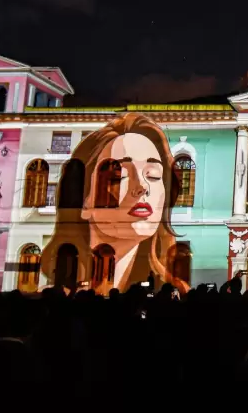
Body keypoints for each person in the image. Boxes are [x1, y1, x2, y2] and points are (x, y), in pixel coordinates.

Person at [40, 114, 188, 293]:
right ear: (84, 198)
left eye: (153, 175)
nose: (142, 186)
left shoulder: (174, 290)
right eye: (120, 175)